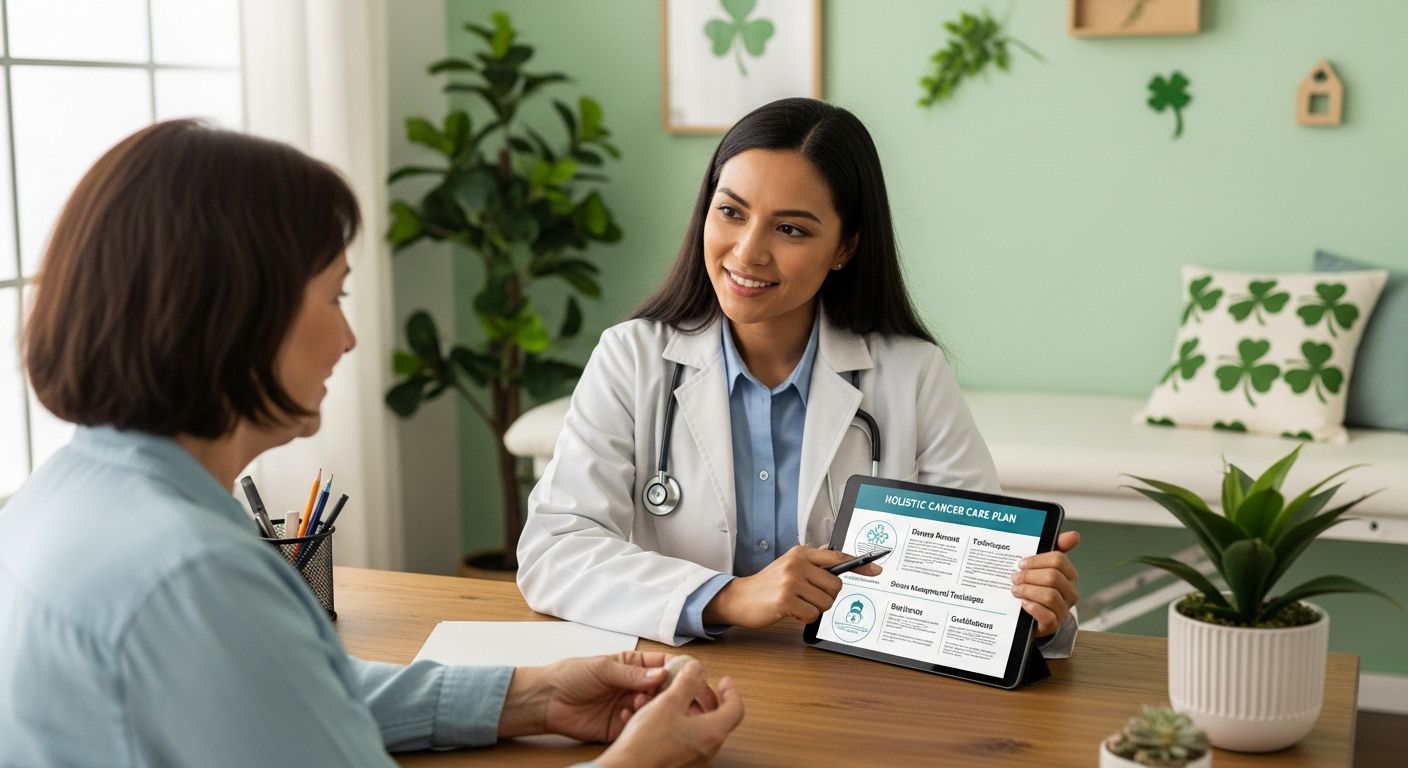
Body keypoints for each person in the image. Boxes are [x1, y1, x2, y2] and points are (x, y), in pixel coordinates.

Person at [0, 120, 742, 767]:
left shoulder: (63, 496)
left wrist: (534, 697)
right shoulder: (194, 574)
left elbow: (284, 696)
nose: (349, 338)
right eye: (335, 295)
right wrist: (638, 760)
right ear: (234, 315)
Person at [517, 98, 1081, 653]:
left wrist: (1036, 612)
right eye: (731, 212)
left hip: (847, 690)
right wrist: (728, 597)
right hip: (675, 679)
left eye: (790, 229)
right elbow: (554, 551)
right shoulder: (633, 357)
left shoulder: (912, 375)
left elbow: (985, 578)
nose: (748, 252)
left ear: (845, 247)